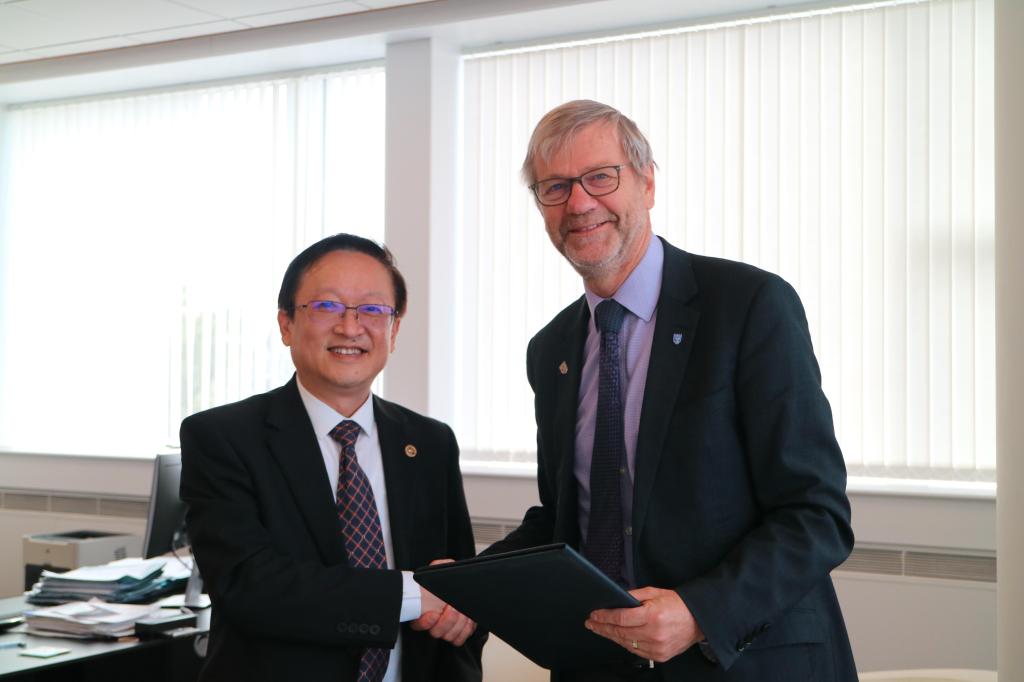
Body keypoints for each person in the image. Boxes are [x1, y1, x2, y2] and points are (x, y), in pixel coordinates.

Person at [486, 100, 858, 681]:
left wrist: (700, 613)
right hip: (604, 666)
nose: (579, 203)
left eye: (600, 177)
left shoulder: (749, 306)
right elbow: (566, 520)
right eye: (555, 187)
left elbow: (816, 514)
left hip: (747, 664)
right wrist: (460, 583)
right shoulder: (550, 349)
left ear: (648, 182)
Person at [180, 233, 483, 682]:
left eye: (373, 310)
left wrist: (464, 611)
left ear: (394, 330)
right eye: (327, 306)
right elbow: (249, 586)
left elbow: (459, 585)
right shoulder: (222, 438)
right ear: (286, 324)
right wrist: (416, 594)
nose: (350, 327)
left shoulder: (430, 443)